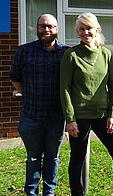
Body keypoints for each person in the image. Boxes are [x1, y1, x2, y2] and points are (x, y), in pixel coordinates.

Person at [60, 12, 113, 196]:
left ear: (96, 29)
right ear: (77, 32)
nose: (85, 32)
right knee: (77, 159)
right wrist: (70, 119)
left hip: (103, 116)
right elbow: (64, 88)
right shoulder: (71, 55)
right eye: (81, 29)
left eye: (89, 28)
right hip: (80, 117)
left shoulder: (106, 54)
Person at [10, 14, 69, 196]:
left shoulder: (66, 53)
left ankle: (49, 192)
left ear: (57, 29)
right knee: (33, 158)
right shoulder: (24, 51)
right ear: (36, 28)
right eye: (43, 26)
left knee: (53, 157)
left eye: (51, 26)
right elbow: (15, 78)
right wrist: (28, 94)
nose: (46, 30)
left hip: (56, 117)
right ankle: (31, 192)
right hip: (31, 116)